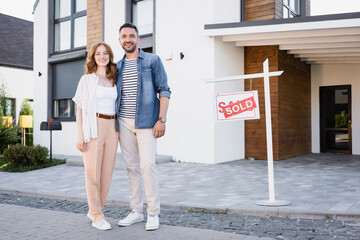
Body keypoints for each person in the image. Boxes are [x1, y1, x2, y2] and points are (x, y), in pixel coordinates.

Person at [116, 23, 171, 231]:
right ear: (120, 40)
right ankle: (136, 211)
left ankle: (153, 213)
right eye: (124, 36)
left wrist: (161, 119)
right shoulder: (117, 66)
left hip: (147, 122)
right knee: (131, 168)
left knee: (148, 166)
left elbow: (164, 90)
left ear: (138, 39)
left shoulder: (152, 60)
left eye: (131, 36)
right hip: (123, 122)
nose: (128, 39)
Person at [72, 42, 118, 231]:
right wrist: (80, 134)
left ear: (109, 56)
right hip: (93, 127)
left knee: (106, 174)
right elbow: (80, 109)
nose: (102, 56)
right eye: (98, 54)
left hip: (112, 127)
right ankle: (97, 216)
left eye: (105, 53)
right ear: (93, 57)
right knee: (93, 174)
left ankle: (95, 209)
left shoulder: (114, 79)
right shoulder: (87, 80)